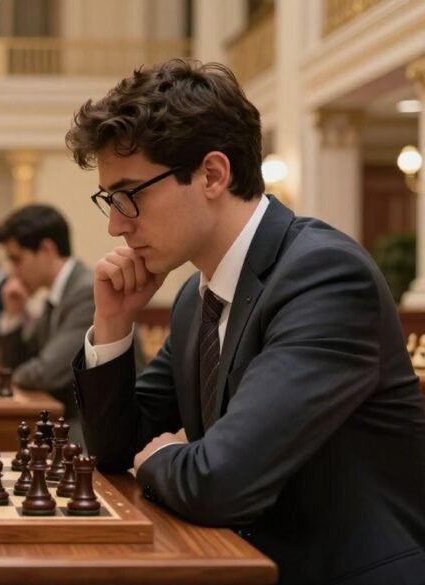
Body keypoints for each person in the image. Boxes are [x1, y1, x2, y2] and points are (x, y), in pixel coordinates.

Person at [67, 59, 425, 585]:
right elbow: (117, 450)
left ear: (213, 174)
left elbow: (223, 481)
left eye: (130, 196)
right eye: (110, 201)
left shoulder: (323, 277)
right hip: (237, 559)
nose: (117, 224)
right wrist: (114, 323)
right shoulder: (198, 295)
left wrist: (165, 457)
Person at [0, 204, 94, 445]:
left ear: (47, 249)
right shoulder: (57, 295)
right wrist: (13, 315)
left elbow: (43, 373)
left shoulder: (85, 292)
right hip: (64, 421)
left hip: (90, 432)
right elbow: (18, 363)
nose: (13, 272)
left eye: (17, 260)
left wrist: (10, 376)